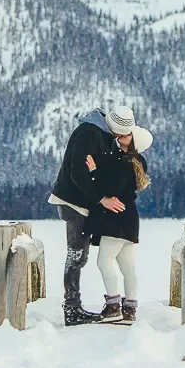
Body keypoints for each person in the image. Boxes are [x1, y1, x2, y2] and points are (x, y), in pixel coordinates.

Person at [48, 107, 123, 326]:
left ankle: (73, 307)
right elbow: (77, 172)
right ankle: (72, 309)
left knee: (79, 256)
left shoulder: (104, 136)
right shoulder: (88, 133)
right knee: (76, 255)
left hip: (83, 203)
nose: (119, 138)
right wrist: (102, 199)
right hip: (73, 202)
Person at [85, 108, 152, 324]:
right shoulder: (135, 162)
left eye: (128, 134)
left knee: (104, 262)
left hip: (116, 218)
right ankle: (130, 309)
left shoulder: (124, 162)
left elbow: (111, 186)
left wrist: (94, 172)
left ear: (134, 143)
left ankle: (113, 305)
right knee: (128, 267)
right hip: (129, 218)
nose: (122, 135)